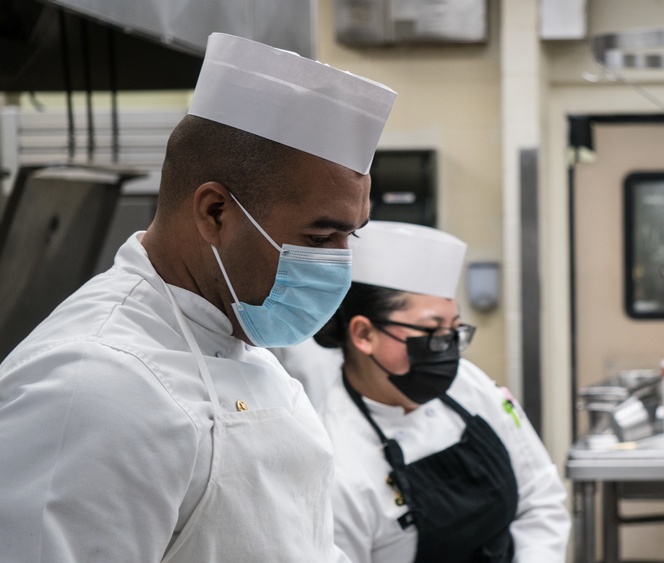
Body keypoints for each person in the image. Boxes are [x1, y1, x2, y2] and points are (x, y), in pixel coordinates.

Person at [0, 33, 395, 561]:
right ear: (214, 213)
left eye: (352, 236)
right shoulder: (90, 385)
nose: (339, 265)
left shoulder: (243, 340)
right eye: (320, 239)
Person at [272, 221, 570, 563]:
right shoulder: (337, 462)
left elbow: (540, 498)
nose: (447, 350)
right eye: (431, 331)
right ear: (364, 335)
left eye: (454, 330)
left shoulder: (467, 385)